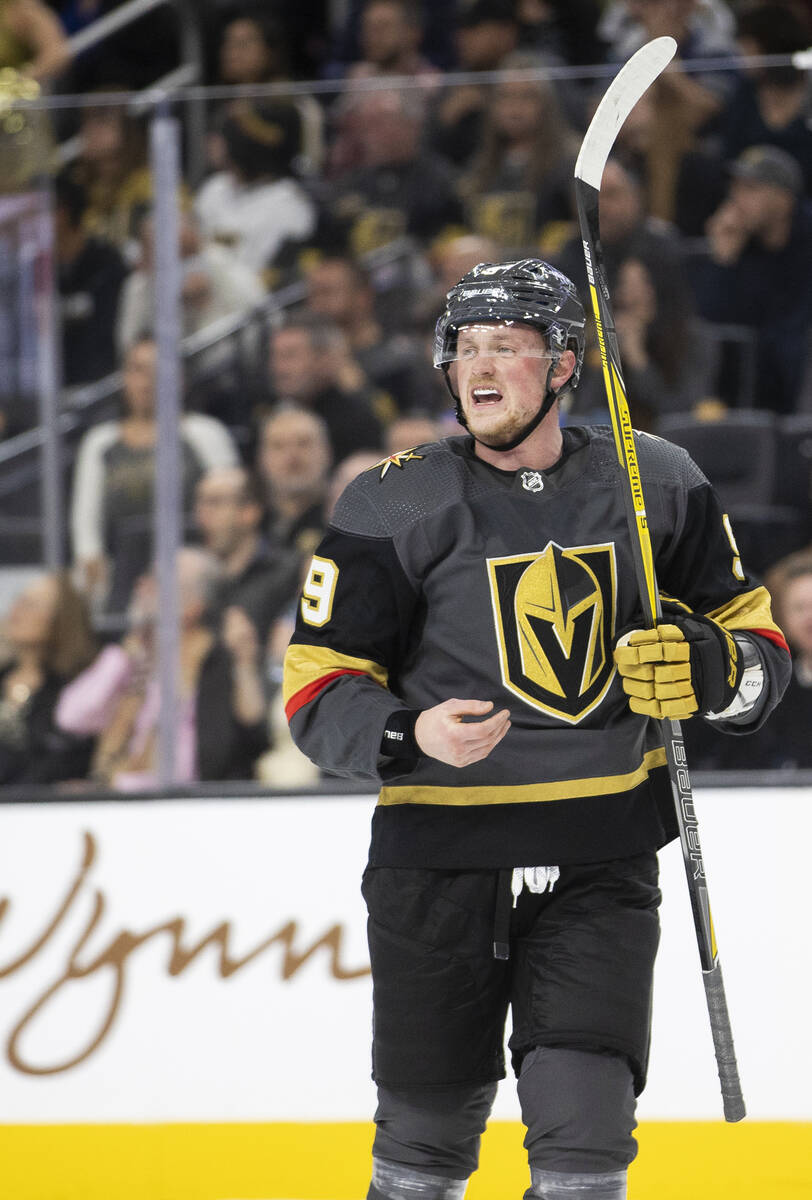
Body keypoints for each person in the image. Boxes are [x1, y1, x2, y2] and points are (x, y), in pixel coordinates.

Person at [282, 258, 790, 1200]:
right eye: (466, 347)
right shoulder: (390, 498)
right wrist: (408, 735)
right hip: (436, 867)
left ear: (564, 367)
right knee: (420, 1157)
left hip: (601, 861)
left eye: (507, 347)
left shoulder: (656, 481)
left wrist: (705, 666)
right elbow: (316, 692)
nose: (481, 366)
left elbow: (759, 654)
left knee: (585, 1158)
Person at [56, 547, 270, 789]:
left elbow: (204, 761)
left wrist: (244, 663)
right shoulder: (132, 660)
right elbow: (71, 718)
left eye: (156, 580)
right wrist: (121, 656)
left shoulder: (214, 663)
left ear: (192, 608)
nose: (141, 583)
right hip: (121, 798)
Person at [70, 334, 239, 620]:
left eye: (159, 370)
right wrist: (90, 563)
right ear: (123, 378)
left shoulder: (205, 434)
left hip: (193, 569)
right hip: (122, 575)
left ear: (181, 379)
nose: (147, 381)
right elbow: (86, 522)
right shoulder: (101, 442)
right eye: (137, 369)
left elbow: (231, 502)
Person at [691, 144, 812, 411]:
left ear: (784, 199)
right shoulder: (739, 242)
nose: (736, 199)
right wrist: (722, 261)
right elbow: (712, 323)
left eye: (751, 189)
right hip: (752, 387)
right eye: (735, 188)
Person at [0, 570, 96, 787]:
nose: (17, 610)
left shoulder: (73, 691)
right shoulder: (3, 677)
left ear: (60, 618)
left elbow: (66, 761)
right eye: (18, 600)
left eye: (31, 604)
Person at [194, 465, 301, 646]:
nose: (202, 514)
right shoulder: (196, 577)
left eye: (214, 502)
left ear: (249, 512)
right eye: (200, 502)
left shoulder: (289, 573)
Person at [55, 170, 129, 386]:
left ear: (64, 213)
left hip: (101, 390)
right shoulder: (33, 271)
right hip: (51, 393)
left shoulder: (108, 265)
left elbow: (113, 337)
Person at [256, 404, 333, 563]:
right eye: (278, 446)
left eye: (303, 443)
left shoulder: (347, 526)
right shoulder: (251, 526)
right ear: (261, 459)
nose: (292, 456)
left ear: (327, 452)